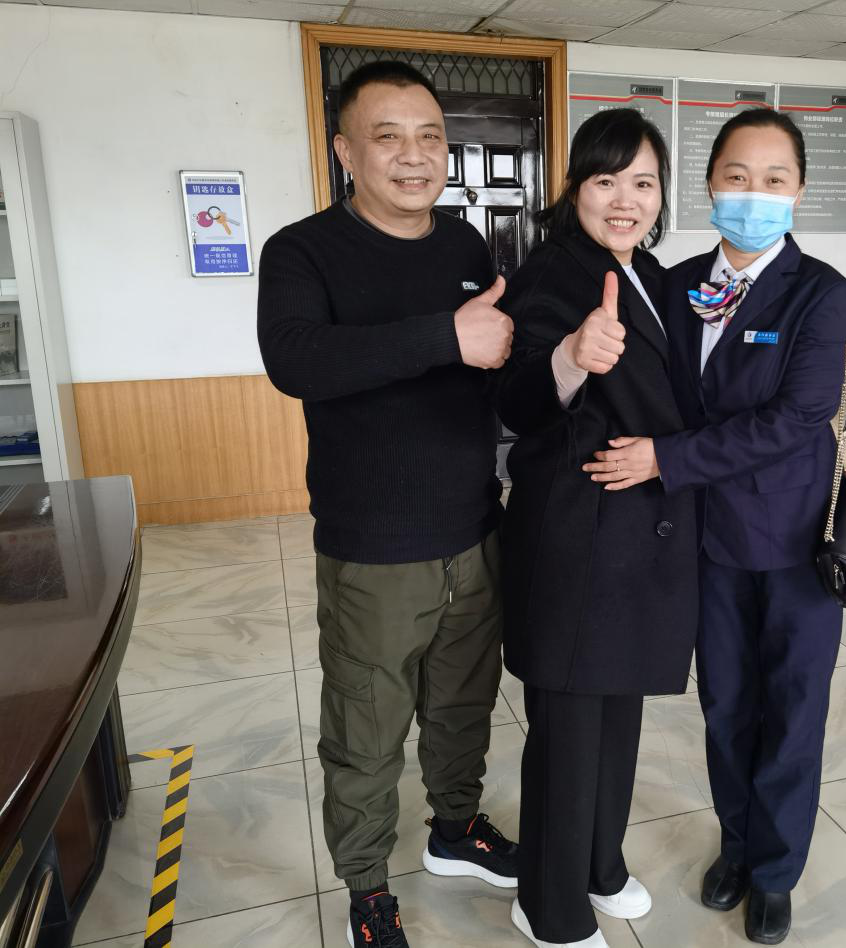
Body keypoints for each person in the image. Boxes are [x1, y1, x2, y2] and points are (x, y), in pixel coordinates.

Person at [257, 60, 519, 948]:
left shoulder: (466, 246)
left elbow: (486, 368)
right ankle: (367, 885)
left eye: (430, 136)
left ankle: (456, 828)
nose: (414, 156)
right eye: (388, 137)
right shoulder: (303, 250)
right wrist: (446, 335)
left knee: (462, 706)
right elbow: (297, 359)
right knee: (366, 730)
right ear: (345, 152)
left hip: (473, 529)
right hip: (373, 547)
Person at [585, 108, 846, 946]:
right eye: (737, 176)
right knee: (727, 704)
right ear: (709, 183)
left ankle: (775, 873)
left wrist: (666, 458)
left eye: (775, 179)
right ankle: (737, 847)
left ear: (798, 191)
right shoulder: (673, 286)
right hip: (701, 539)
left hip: (793, 542)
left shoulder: (821, 293)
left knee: (792, 711)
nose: (754, 193)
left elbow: (797, 417)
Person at [495, 108, 698, 948]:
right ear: (575, 186)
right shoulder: (554, 274)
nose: (626, 200)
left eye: (643, 183)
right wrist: (570, 357)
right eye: (607, 180)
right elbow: (515, 402)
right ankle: (549, 905)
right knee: (571, 730)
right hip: (578, 537)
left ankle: (600, 865)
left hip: (637, 537)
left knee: (618, 712)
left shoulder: (647, 271)